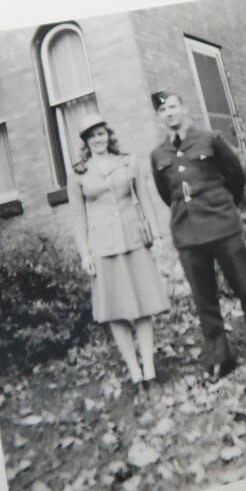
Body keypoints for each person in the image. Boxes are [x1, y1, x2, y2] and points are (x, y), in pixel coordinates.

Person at [149, 91, 246, 381]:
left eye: (172, 106)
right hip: (188, 235)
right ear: (159, 117)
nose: (168, 113)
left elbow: (237, 177)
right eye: (163, 110)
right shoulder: (158, 154)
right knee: (204, 299)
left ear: (182, 108)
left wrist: (223, 206)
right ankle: (221, 358)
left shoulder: (211, 139)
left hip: (223, 227)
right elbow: (166, 194)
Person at [68, 112, 169, 389]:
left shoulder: (127, 162)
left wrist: (157, 234)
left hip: (134, 240)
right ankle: (135, 373)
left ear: (108, 135)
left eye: (101, 133)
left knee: (144, 304)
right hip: (103, 248)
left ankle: (149, 370)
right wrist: (85, 253)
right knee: (115, 311)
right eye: (91, 136)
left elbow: (145, 200)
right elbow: (78, 218)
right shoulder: (79, 174)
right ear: (85, 142)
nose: (98, 139)